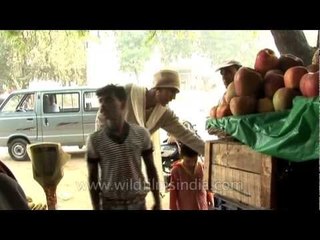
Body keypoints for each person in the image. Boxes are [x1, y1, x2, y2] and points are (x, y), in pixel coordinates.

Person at [95, 70, 205, 194]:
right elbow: (102, 116)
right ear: (158, 88)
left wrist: (209, 151)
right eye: (172, 92)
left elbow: (186, 135)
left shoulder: (164, 114)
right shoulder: (127, 93)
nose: (173, 98)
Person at [86, 84, 161, 210]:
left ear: (122, 104)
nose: (103, 105)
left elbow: (151, 169)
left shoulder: (141, 134)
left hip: (137, 203)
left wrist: (157, 201)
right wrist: (96, 207)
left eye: (109, 100)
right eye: (101, 101)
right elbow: (92, 178)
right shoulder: (95, 140)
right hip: (110, 205)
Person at [169, 144, 213, 210]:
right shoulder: (176, 171)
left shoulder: (202, 167)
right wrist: (173, 208)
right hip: (185, 206)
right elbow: (173, 193)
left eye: (195, 160)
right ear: (182, 157)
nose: (192, 164)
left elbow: (207, 185)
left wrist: (210, 198)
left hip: (202, 205)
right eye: (188, 161)